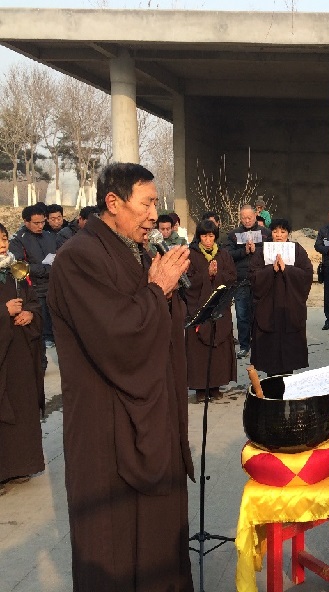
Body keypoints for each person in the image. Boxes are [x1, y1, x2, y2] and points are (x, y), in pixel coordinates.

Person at [47, 162, 195, 591]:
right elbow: (117, 334)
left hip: (150, 413)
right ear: (113, 202)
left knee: (158, 538)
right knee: (114, 543)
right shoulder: (79, 258)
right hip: (106, 425)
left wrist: (167, 288)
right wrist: (157, 290)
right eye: (147, 203)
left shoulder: (134, 250)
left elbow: (157, 316)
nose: (155, 214)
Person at [0, 223, 45, 494]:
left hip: (20, 350)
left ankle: (20, 465)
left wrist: (29, 314)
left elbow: (33, 302)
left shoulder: (16, 271)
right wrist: (2, 312)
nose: (3, 244)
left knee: (22, 405)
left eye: (4, 238)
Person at [249, 218, 313, 376]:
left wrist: (287, 270)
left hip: (290, 305)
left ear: (288, 234)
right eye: (275, 231)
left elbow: (307, 275)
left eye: (283, 232)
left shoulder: (297, 249)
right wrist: (271, 270)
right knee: (269, 349)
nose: (278, 235)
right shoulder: (262, 250)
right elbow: (252, 276)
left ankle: (288, 383)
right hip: (267, 306)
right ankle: (271, 383)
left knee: (288, 348)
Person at [185, 219, 237, 402]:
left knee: (219, 347)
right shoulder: (191, 255)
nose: (208, 240)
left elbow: (232, 277)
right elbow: (187, 282)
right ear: (199, 237)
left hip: (219, 308)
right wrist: (205, 276)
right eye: (205, 236)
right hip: (198, 307)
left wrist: (217, 275)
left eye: (211, 236)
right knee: (198, 350)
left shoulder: (223, 255)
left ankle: (216, 385)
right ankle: (199, 388)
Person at [224, 204, 271, 358]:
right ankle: (244, 346)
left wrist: (255, 251)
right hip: (241, 279)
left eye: (249, 217)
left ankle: (261, 344)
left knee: (261, 314)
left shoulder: (265, 233)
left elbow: (270, 251)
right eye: (244, 218)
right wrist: (243, 251)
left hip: (261, 279)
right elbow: (228, 255)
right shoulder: (233, 234)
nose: (247, 220)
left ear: (255, 216)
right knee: (242, 315)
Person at [9, 203, 57, 351]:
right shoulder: (18, 240)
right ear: (26, 222)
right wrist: (45, 269)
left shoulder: (49, 236)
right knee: (38, 326)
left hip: (52, 286)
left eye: (43, 222)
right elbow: (20, 266)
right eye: (36, 223)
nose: (40, 226)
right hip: (33, 288)